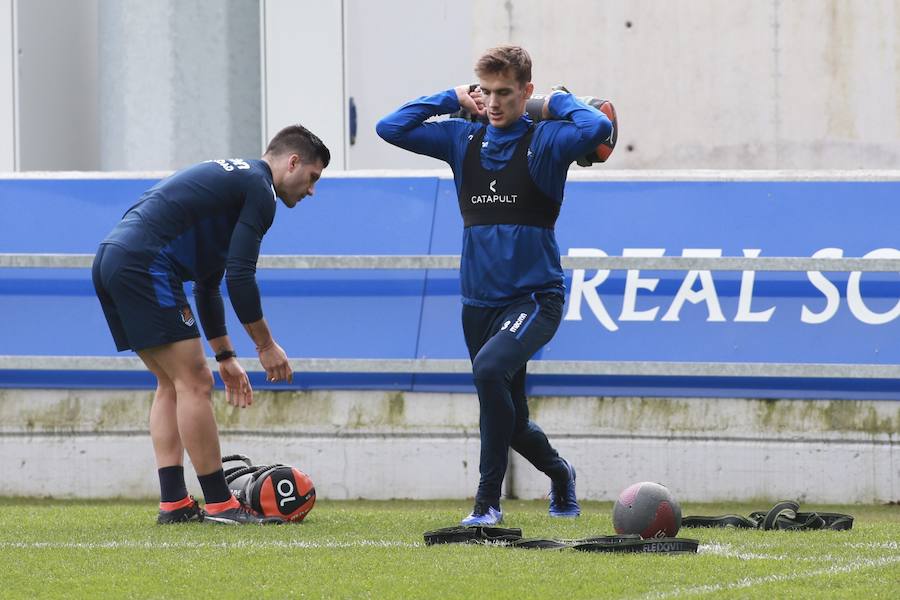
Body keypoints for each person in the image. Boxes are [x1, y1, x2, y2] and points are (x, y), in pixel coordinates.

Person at [377, 45, 612, 526]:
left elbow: (597, 128)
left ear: (525, 92)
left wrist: (553, 103)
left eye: (505, 92)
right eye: (486, 91)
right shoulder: (461, 138)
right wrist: (452, 96)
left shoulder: (547, 140)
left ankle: (486, 503)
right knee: (512, 419)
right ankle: (560, 473)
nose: (494, 102)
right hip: (478, 303)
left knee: (487, 372)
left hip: (534, 298)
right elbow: (390, 127)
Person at [92, 124, 330, 524]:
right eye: (312, 177)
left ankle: (175, 504)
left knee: (172, 383)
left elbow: (208, 284)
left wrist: (226, 356)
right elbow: (240, 277)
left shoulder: (238, 183)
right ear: (292, 162)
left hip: (113, 259)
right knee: (194, 382)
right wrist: (265, 345)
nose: (311, 190)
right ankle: (221, 503)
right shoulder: (260, 190)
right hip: (144, 263)